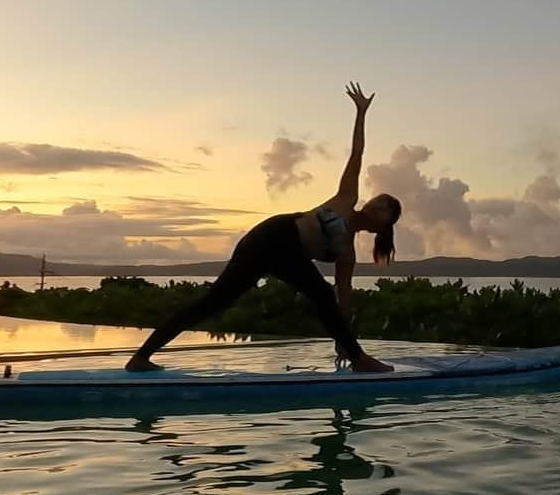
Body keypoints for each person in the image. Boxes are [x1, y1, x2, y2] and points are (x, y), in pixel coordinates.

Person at [125, 82, 402, 373]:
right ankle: (141, 357)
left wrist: (343, 340)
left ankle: (357, 356)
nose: (379, 201)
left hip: (284, 255)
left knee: (323, 295)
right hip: (272, 236)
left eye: (387, 207)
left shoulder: (346, 253)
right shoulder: (346, 199)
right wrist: (361, 113)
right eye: (381, 199)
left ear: (383, 226)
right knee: (212, 303)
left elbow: (342, 298)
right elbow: (356, 154)